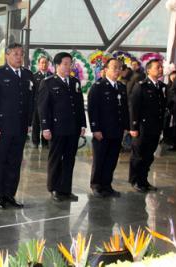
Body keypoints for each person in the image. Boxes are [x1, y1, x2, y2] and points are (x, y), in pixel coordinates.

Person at [0, 43, 34, 209]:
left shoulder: (27, 75)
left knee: (15, 161)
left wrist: (29, 123)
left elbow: (30, 101)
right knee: (0, 161)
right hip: (1, 127)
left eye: (21, 54)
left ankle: (10, 194)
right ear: (7, 56)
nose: (19, 57)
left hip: (20, 127)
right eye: (15, 54)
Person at [37, 52, 86, 202]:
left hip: (73, 128)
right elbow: (43, 107)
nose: (67, 67)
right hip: (57, 128)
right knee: (56, 159)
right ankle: (54, 188)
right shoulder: (48, 82)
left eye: (70, 64)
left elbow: (78, 106)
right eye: (65, 64)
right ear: (57, 65)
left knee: (70, 159)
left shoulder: (75, 82)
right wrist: (45, 127)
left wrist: (83, 124)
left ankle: (66, 189)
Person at [87, 58, 129, 198]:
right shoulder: (98, 87)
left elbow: (124, 110)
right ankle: (96, 185)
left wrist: (125, 127)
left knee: (111, 160)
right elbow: (93, 110)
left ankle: (107, 185)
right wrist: (95, 129)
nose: (117, 70)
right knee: (99, 160)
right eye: (114, 67)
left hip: (116, 131)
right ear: (105, 70)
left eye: (119, 68)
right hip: (102, 131)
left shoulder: (122, 87)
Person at [128, 59, 166, 193]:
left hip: (155, 128)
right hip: (142, 128)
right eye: (157, 67)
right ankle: (135, 181)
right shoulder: (141, 86)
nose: (160, 69)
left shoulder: (160, 86)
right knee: (138, 156)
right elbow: (134, 107)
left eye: (161, 67)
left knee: (149, 156)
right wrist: (133, 127)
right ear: (148, 70)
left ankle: (144, 180)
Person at [31, 56, 52, 148]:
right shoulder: (34, 77)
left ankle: (45, 142)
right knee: (36, 123)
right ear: (39, 64)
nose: (44, 64)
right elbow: (31, 92)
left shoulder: (52, 76)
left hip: (48, 105)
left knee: (47, 123)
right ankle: (35, 142)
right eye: (42, 62)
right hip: (36, 105)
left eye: (46, 62)